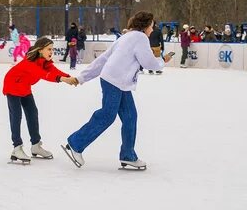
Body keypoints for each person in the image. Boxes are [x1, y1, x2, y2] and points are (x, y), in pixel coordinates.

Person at [61, 11, 173, 170]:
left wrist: (81, 78)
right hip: (115, 81)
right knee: (107, 116)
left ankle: (128, 155)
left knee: (130, 117)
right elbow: (149, 63)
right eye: (152, 25)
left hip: (119, 82)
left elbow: (103, 59)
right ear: (146, 25)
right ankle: (76, 143)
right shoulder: (140, 38)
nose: (153, 28)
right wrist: (162, 60)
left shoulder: (126, 37)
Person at [2, 37, 76, 162]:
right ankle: (17, 148)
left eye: (52, 49)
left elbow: (54, 71)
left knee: (32, 113)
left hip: (24, 87)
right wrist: (62, 79)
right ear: (40, 50)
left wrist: (70, 77)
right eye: (49, 49)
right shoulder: (29, 62)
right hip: (12, 85)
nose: (51, 52)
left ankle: (36, 145)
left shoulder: (45, 62)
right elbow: (44, 74)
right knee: (16, 115)